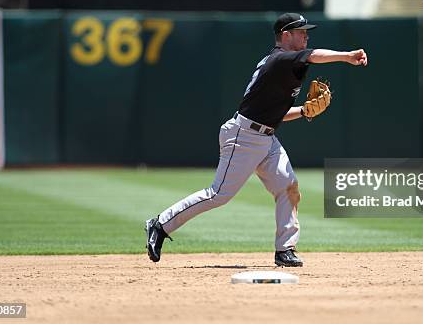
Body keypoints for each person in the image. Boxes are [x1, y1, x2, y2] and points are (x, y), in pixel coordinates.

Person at [145, 13, 367, 267]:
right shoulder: (280, 59)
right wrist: (347, 56)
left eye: (307, 31)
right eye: (301, 31)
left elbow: (275, 115)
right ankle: (160, 223)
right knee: (218, 194)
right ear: (286, 36)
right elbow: (315, 55)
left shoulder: (287, 66)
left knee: (288, 186)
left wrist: (304, 111)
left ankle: (285, 249)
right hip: (243, 136)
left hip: (266, 137)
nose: (306, 35)